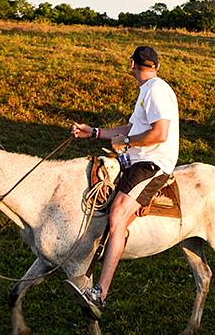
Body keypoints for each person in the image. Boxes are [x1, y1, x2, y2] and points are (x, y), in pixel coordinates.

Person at [66, 46, 179, 319]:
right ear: (157, 65)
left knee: (117, 217)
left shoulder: (156, 90)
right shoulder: (148, 90)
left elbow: (160, 133)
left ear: (131, 64)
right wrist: (94, 132)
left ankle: (100, 293)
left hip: (152, 164)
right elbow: (130, 129)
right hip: (136, 160)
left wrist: (126, 142)